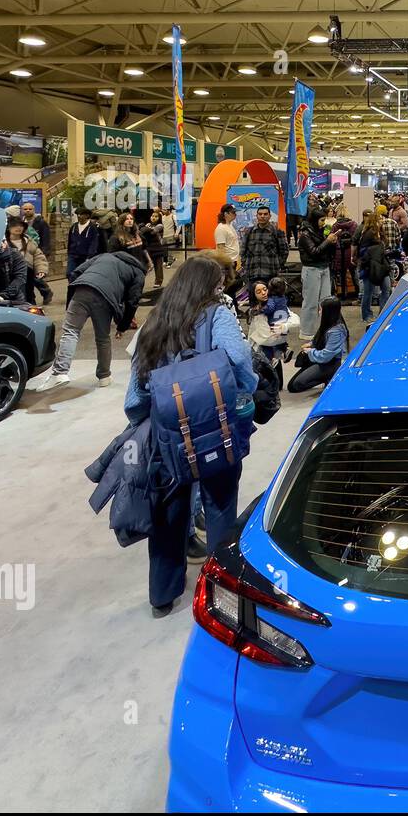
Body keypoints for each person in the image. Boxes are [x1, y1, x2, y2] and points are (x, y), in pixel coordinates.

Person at [124, 257, 258, 616]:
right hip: (212, 430)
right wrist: (246, 391)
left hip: (165, 436)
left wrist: (151, 418)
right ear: (210, 286)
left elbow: (135, 397)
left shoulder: (156, 321)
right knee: (220, 506)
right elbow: (239, 359)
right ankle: (221, 593)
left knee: (169, 513)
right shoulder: (216, 315)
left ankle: (162, 594)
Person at [35, 247, 148, 390]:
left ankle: (60, 373)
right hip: (105, 299)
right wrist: (122, 326)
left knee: (71, 331)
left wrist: (75, 295)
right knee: (103, 338)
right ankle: (104, 377)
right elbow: (133, 301)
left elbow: (75, 272)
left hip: (83, 289)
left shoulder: (104, 256)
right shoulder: (138, 272)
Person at [288, 297, 351, 394]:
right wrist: (312, 344)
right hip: (320, 358)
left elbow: (326, 355)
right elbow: (321, 338)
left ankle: (329, 378)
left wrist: (310, 351)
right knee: (292, 385)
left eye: (321, 309)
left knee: (296, 385)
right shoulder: (328, 324)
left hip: (331, 363)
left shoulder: (336, 331)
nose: (319, 312)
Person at [297, 205, 337, 341]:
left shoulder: (321, 232)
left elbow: (325, 252)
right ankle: (306, 332)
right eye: (321, 220)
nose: (324, 223)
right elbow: (314, 252)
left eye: (324, 220)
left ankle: (323, 329)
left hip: (324, 268)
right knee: (310, 302)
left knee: (326, 301)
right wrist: (328, 241)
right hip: (311, 269)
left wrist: (332, 243)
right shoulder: (305, 235)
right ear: (314, 220)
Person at [238, 204, 289, 294]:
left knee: (270, 300)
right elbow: (243, 251)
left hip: (270, 273)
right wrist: (245, 264)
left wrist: (277, 265)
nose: (262, 216)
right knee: (254, 301)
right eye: (260, 214)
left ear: (269, 216)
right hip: (252, 273)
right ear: (257, 216)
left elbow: (284, 251)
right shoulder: (249, 232)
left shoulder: (277, 232)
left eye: (265, 214)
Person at [5, 216, 51, 305]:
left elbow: (39, 256)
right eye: (14, 225)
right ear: (8, 227)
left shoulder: (29, 241)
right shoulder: (3, 243)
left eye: (21, 225)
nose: (18, 228)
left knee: (29, 297)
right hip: (8, 275)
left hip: (27, 274)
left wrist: (41, 270)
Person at [355, 212, 390, 322]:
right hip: (370, 266)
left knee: (385, 288)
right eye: (379, 219)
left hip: (381, 265)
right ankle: (367, 315)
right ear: (375, 221)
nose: (382, 221)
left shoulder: (380, 232)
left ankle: (382, 314)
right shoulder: (368, 234)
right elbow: (362, 250)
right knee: (368, 292)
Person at [66, 205, 106, 283]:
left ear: (87, 216)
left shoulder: (93, 228)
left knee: (82, 275)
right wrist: (69, 252)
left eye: (81, 214)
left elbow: (94, 243)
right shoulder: (74, 227)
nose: (78, 216)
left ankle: (79, 289)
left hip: (85, 256)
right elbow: (70, 240)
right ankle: (72, 289)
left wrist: (90, 256)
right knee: (69, 273)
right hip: (73, 254)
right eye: (77, 214)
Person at [329, 207, 357, 297]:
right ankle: (356, 292)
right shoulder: (353, 225)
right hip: (350, 251)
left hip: (339, 252)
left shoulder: (335, 226)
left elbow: (331, 239)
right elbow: (356, 239)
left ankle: (341, 293)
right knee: (353, 273)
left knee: (340, 274)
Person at [139, 209, 168, 288]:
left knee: (158, 266)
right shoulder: (148, 224)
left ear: (159, 218)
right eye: (152, 216)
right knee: (144, 265)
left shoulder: (160, 226)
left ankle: (158, 281)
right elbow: (142, 232)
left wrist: (145, 229)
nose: (153, 218)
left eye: (156, 216)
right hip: (149, 248)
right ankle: (139, 281)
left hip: (157, 248)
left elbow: (152, 232)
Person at [214, 205, 241, 269]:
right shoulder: (221, 228)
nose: (235, 214)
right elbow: (221, 248)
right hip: (227, 263)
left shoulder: (229, 226)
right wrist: (225, 263)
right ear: (226, 214)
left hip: (232, 261)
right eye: (233, 212)